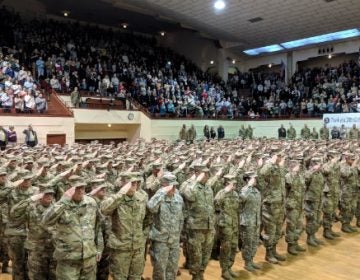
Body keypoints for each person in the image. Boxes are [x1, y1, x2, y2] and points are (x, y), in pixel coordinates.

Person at [42, 181, 103, 280]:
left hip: (89, 257)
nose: (80, 191)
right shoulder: (61, 204)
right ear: (69, 189)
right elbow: (45, 221)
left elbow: (97, 227)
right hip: (68, 259)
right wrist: (64, 200)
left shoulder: (91, 202)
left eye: (82, 188)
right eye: (76, 188)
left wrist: (99, 248)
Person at [100, 177, 148, 280]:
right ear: (123, 184)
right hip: (121, 248)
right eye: (131, 183)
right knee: (119, 277)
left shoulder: (141, 198)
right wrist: (121, 194)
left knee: (136, 277)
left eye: (136, 183)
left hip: (138, 246)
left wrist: (142, 236)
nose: (134, 185)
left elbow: (146, 219)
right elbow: (103, 209)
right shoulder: (116, 199)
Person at [11, 188, 56, 280]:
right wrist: (30, 199)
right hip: (36, 249)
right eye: (46, 194)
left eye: (51, 194)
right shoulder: (31, 208)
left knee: (53, 275)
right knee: (36, 276)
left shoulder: (56, 208)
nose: (49, 196)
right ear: (39, 196)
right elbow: (14, 212)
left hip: (53, 248)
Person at [147, 173, 184, 280]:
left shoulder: (178, 199)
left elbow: (180, 218)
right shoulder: (159, 198)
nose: (174, 188)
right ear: (164, 186)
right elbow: (151, 207)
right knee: (160, 270)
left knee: (172, 268)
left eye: (175, 186)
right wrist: (161, 192)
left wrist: (178, 235)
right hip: (161, 240)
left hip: (174, 239)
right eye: (171, 186)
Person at [181, 169, 215, 280]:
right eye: (203, 174)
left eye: (207, 174)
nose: (206, 176)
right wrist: (196, 181)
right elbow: (189, 196)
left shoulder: (208, 188)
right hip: (196, 226)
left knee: (206, 252)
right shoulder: (190, 186)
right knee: (196, 253)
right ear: (197, 174)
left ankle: (201, 272)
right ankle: (196, 275)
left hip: (209, 225)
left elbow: (211, 206)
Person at [5, 174, 38, 280]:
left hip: (31, 232)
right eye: (24, 180)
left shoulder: (35, 191)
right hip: (16, 232)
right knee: (18, 263)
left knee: (29, 263)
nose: (27, 181)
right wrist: (12, 185)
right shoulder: (11, 192)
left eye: (29, 179)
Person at [258, 152, 286, 264]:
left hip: (279, 202)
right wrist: (270, 162)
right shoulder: (268, 166)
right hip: (270, 204)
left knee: (278, 229)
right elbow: (261, 175)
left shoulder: (279, 168)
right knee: (270, 230)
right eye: (277, 156)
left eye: (280, 156)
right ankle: (268, 254)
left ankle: (274, 251)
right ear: (272, 156)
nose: (279, 158)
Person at [214, 174, 240, 279]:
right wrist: (225, 191)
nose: (235, 185)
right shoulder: (221, 193)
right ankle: (224, 270)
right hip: (226, 226)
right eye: (233, 183)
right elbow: (216, 203)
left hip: (234, 224)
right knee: (226, 248)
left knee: (233, 247)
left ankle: (229, 267)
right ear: (227, 184)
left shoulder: (235, 194)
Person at [239, 172, 261, 271]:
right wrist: (248, 186)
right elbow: (242, 200)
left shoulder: (256, 191)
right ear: (247, 180)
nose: (255, 180)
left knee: (254, 242)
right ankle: (247, 263)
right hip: (247, 222)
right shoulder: (244, 190)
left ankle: (251, 260)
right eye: (253, 178)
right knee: (247, 243)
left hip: (256, 221)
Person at [285, 159, 307, 255]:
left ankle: (296, 242)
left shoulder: (300, 176)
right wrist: (293, 172)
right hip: (292, 205)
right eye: (298, 165)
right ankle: (291, 245)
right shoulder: (288, 176)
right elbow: (290, 184)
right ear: (293, 166)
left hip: (300, 204)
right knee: (292, 226)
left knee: (300, 225)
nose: (300, 166)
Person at [304, 157, 325, 247]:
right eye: (319, 164)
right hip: (311, 200)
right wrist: (313, 170)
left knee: (316, 219)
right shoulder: (309, 173)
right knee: (311, 219)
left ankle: (313, 236)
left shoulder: (319, 174)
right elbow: (306, 180)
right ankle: (309, 238)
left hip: (318, 199)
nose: (321, 166)